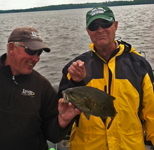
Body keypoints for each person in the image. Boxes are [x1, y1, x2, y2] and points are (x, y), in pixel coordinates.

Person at [0, 26, 80, 150]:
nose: (36, 58)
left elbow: (53, 136)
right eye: (30, 51)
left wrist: (62, 122)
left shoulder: (43, 86)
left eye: (39, 53)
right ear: (11, 48)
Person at [58, 6, 154, 150]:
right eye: (94, 26)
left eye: (106, 23)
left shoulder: (139, 66)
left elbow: (151, 114)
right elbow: (61, 114)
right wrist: (74, 81)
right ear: (88, 31)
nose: (100, 29)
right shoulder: (75, 68)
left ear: (115, 26)